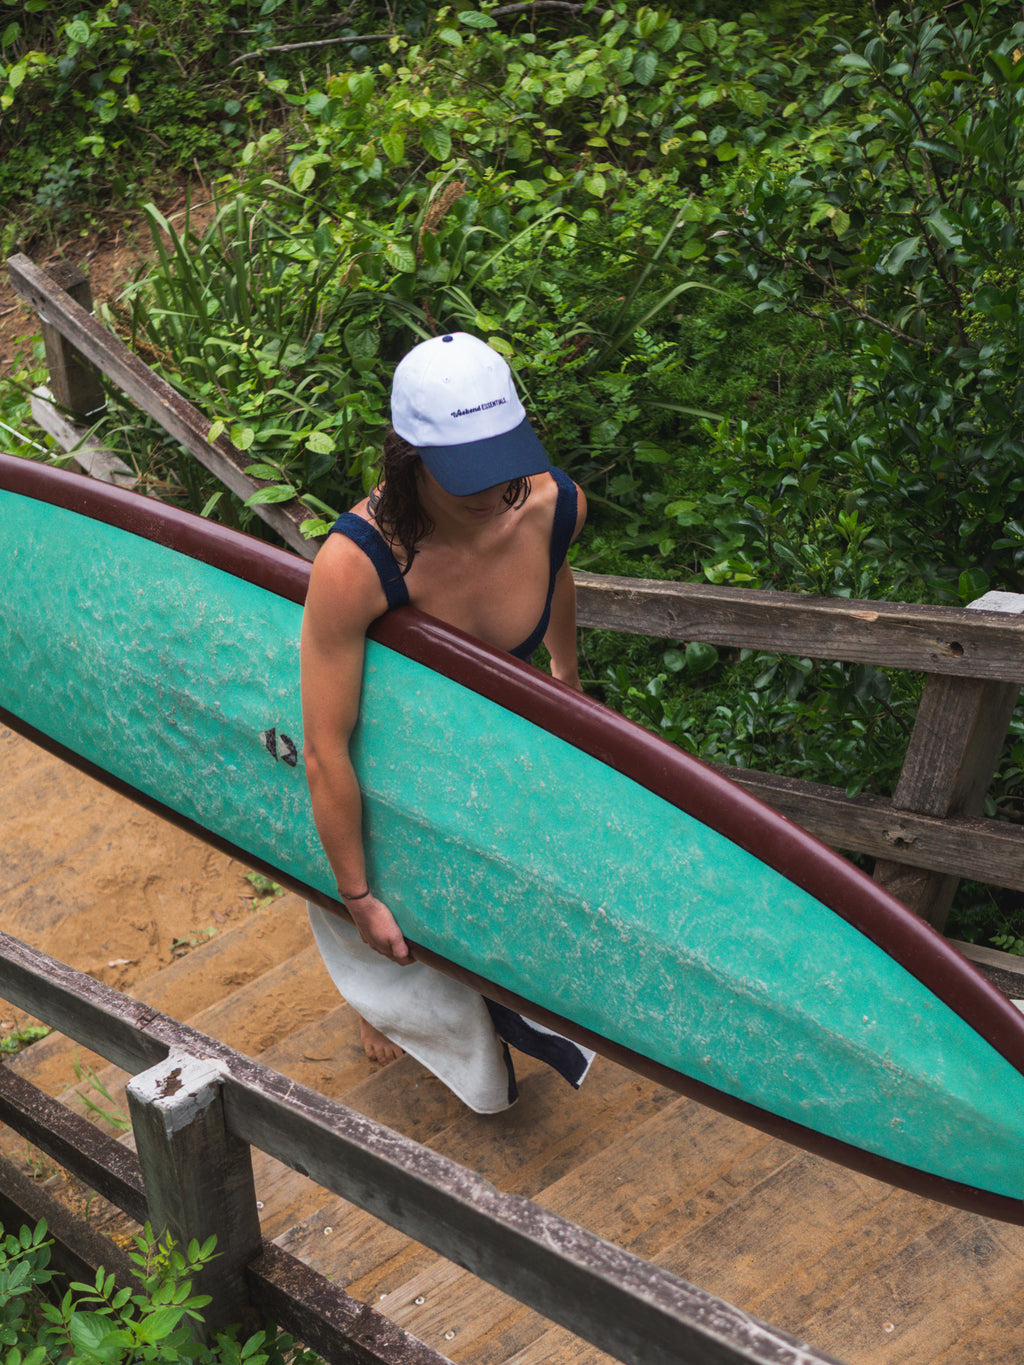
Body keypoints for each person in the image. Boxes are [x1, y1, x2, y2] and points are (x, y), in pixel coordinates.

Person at [300, 332, 593, 1113]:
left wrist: (566, 677)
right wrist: (357, 893)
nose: (493, 485)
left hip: (477, 737)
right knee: (390, 936)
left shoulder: (551, 504)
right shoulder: (355, 562)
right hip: (377, 745)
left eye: (502, 455)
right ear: (409, 458)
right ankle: (375, 1003)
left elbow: (558, 574)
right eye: (465, 466)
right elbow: (326, 747)